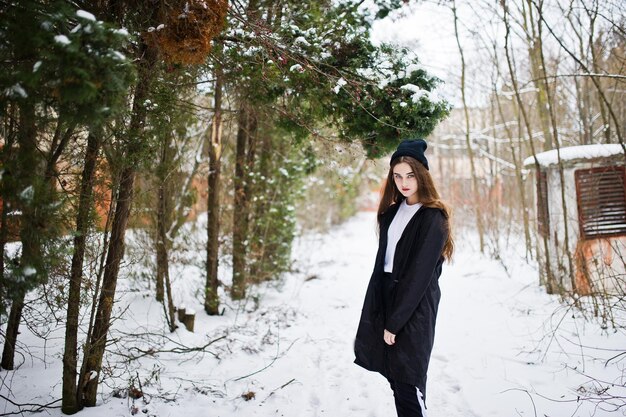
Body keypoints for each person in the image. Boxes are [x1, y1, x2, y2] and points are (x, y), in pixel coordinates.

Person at [354, 139, 454, 417]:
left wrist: (395, 323)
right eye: (398, 176)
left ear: (422, 175)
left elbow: (419, 276)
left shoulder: (433, 217)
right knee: (396, 379)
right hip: (388, 299)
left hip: (415, 306)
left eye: (410, 175)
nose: (404, 182)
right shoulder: (393, 213)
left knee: (409, 383)